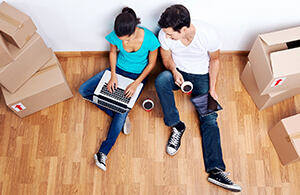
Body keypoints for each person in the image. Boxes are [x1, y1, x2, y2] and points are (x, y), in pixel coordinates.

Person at [155, 4, 242, 192]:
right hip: (179, 73)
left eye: (171, 35)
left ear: (184, 29)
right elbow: (167, 57)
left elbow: (215, 60)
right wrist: (174, 71)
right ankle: (177, 126)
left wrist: (212, 89)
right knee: (161, 79)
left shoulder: (208, 35)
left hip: (201, 76)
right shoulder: (165, 34)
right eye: (166, 34)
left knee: (209, 118)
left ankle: (216, 170)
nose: (166, 37)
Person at [79, 7, 160, 171]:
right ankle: (119, 115)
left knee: (122, 111)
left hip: (137, 77)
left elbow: (151, 64)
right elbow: (113, 53)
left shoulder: (150, 39)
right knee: (83, 90)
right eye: (122, 40)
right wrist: (113, 75)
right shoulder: (115, 36)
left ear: (135, 30)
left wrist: (136, 83)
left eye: (128, 39)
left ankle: (103, 152)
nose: (126, 43)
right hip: (117, 71)